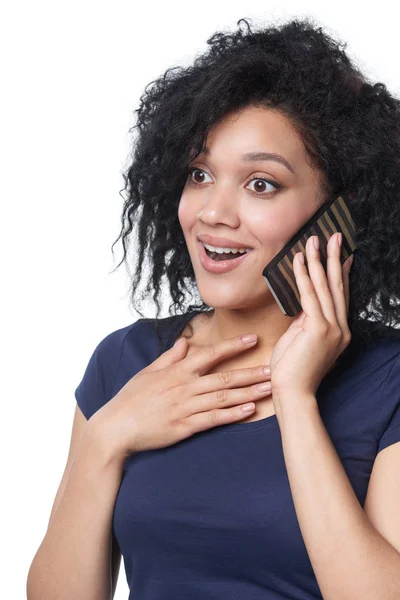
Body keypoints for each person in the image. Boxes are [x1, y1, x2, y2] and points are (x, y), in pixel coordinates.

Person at [27, 16, 400, 600]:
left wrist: (296, 398)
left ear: (344, 214)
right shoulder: (125, 361)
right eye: (200, 174)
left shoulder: (389, 381)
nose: (213, 213)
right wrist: (107, 439)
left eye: (260, 184)